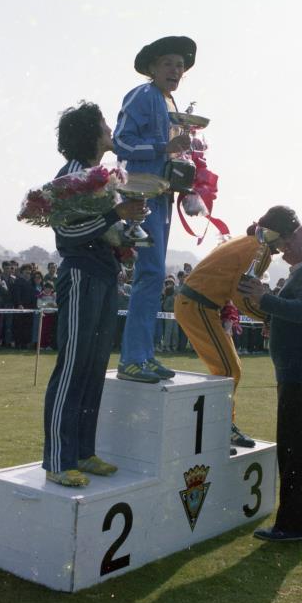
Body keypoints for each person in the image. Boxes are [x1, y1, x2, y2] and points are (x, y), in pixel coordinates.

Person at [42, 101, 146, 487]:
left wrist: (127, 236)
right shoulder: (71, 174)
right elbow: (66, 235)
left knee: (92, 368)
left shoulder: (102, 177)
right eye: (104, 123)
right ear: (90, 132)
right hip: (82, 275)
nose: (109, 129)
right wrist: (116, 217)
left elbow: (101, 230)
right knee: (72, 366)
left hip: (104, 275)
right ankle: (57, 459)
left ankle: (82, 453)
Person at [238, 221, 302, 541]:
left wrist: (265, 299)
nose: (288, 241)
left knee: (297, 449)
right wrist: (272, 316)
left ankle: (294, 525)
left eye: (296, 238)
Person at [174, 205, 300, 450]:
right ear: (280, 233)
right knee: (228, 368)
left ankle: (219, 426)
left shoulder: (249, 241)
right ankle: (219, 428)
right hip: (199, 305)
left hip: (198, 304)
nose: (288, 243)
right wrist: (268, 317)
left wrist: (265, 315)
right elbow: (243, 298)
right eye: (288, 236)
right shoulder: (260, 250)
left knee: (231, 368)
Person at [113, 35, 195, 383]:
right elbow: (120, 141)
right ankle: (132, 358)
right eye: (168, 63)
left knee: (154, 277)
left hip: (162, 197)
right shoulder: (142, 94)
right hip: (142, 196)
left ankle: (143, 355)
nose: (175, 70)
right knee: (149, 276)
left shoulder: (166, 101)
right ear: (152, 68)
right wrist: (164, 147)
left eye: (180, 65)